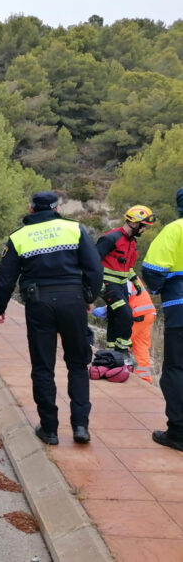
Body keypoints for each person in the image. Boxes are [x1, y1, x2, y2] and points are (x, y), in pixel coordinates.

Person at [0, 191, 103, 445]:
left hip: (39, 304)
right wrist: (88, 296)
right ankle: (80, 427)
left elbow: (5, 278)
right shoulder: (74, 229)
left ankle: (49, 429)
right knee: (77, 363)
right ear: (56, 208)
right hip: (73, 300)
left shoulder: (18, 236)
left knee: (43, 366)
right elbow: (95, 268)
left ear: (31, 208)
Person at [141, 187, 183, 451]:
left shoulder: (176, 229)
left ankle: (178, 433)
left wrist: (158, 288)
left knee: (176, 369)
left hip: (181, 309)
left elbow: (153, 270)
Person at [96, 205, 156, 361]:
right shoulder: (110, 238)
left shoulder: (132, 242)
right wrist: (98, 285)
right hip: (108, 285)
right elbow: (92, 263)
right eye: (143, 226)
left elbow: (127, 267)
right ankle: (122, 352)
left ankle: (110, 352)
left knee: (115, 316)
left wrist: (135, 281)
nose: (144, 230)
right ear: (135, 223)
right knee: (125, 314)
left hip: (122, 286)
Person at [92, 278, 156, 383]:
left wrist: (105, 309)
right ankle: (144, 379)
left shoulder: (122, 275)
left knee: (120, 343)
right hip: (148, 313)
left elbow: (123, 299)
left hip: (136, 314)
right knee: (141, 346)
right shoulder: (129, 273)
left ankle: (116, 372)